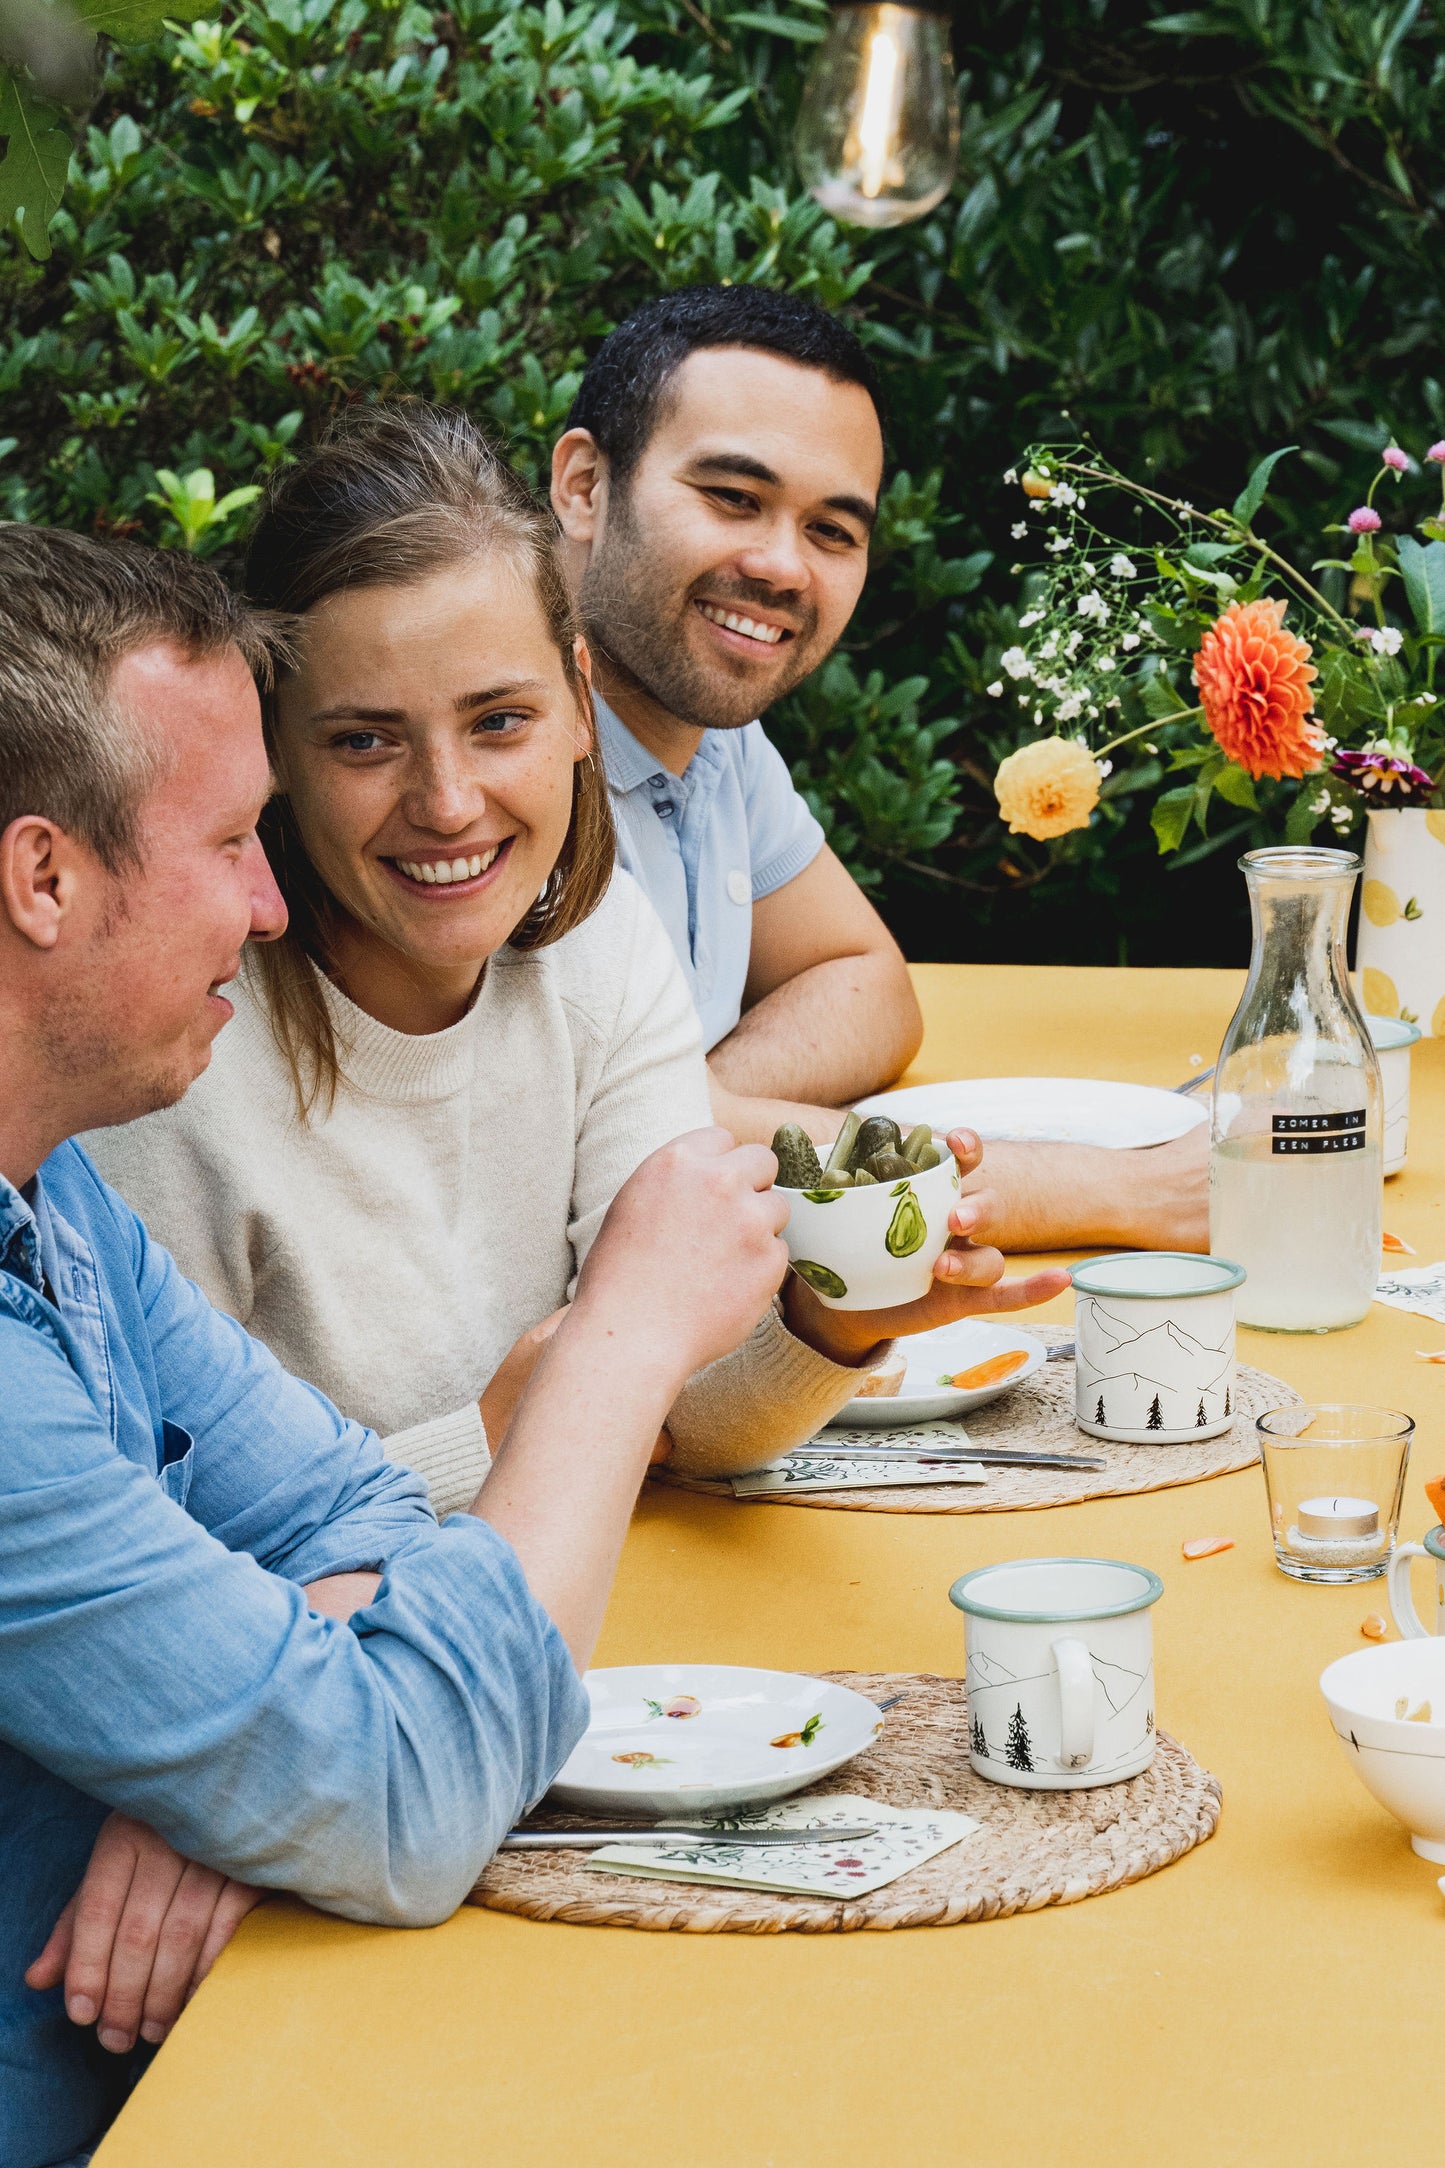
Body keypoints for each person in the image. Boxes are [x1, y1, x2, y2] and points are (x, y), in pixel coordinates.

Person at [0, 523, 800, 2168]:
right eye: (230, 836)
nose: (270, 900)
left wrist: (267, 1728)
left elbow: (363, 1510)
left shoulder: (52, 1193)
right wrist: (620, 1345)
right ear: (43, 878)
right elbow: (405, 1794)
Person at [88, 404, 1067, 1519]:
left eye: (498, 721)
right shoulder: (177, 1052)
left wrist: (827, 1320)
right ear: (275, 754)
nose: (447, 804)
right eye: (364, 739)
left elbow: (684, 1409)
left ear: (578, 703)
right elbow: (143, 1550)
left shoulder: (596, 945)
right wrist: (503, 1432)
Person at [551, 284, 1208, 1252]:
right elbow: (599, 1135)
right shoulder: (495, 750)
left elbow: (866, 987)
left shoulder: (708, 725)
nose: (782, 566)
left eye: (831, 529)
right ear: (583, 486)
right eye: (733, 497)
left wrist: (699, 1101)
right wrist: (1101, 1190)